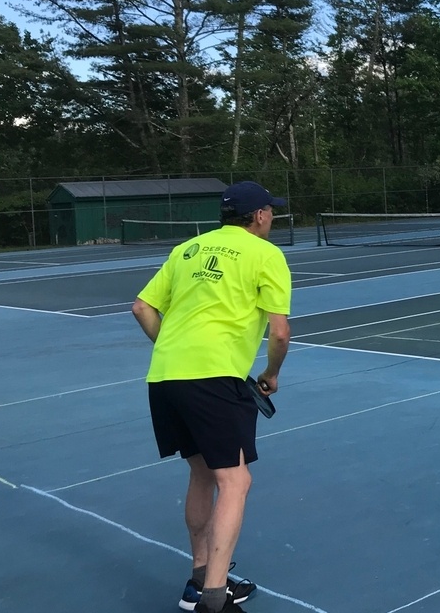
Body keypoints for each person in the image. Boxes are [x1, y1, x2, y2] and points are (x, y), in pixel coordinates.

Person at [132, 181, 292, 613]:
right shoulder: (266, 255)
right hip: (215, 378)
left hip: (166, 375)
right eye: (270, 211)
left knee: (202, 474)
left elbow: (142, 307)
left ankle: (198, 581)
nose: (272, 217)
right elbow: (279, 332)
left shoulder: (188, 250)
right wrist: (271, 375)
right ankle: (214, 601)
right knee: (235, 482)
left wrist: (174, 348)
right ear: (258, 215)